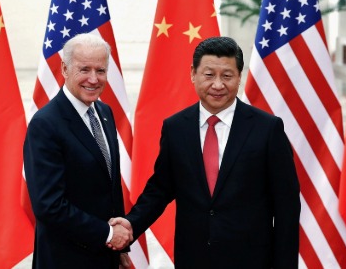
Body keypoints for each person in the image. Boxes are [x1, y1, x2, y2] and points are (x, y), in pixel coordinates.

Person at [111, 36, 301, 268]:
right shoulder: (175, 127)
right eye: (209, 75)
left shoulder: (268, 129)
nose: (218, 85)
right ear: (193, 74)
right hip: (193, 257)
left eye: (227, 76)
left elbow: (287, 207)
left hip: (251, 260)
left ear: (239, 77)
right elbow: (160, 189)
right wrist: (131, 225)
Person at [24, 33, 132, 269]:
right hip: (65, 259)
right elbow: (48, 206)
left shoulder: (105, 113)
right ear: (64, 68)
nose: (93, 79)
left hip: (106, 256)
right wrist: (107, 234)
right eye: (84, 69)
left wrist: (120, 248)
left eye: (101, 70)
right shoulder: (46, 124)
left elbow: (110, 185)